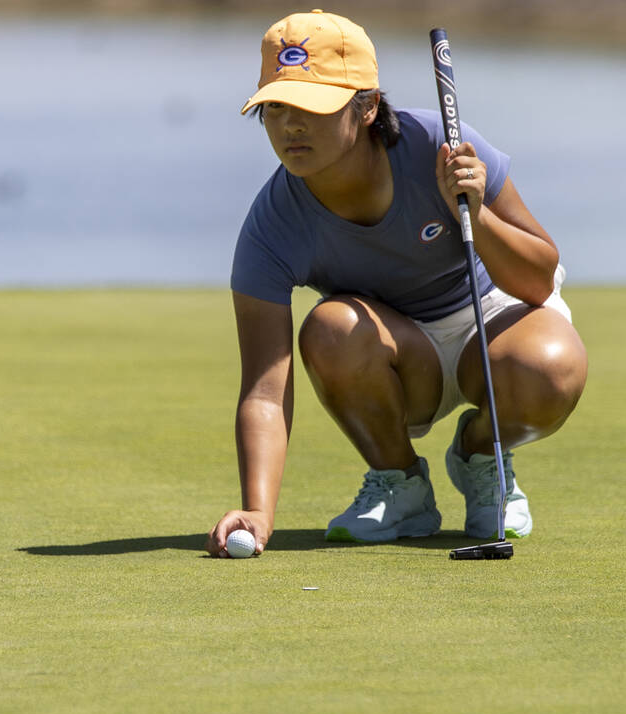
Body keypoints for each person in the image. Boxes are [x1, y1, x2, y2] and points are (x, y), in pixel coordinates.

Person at [207, 10, 587, 557]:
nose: (290, 125)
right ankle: (400, 482)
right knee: (331, 328)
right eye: (275, 107)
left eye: (312, 107)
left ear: (366, 107)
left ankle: (482, 455)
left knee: (551, 368)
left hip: (495, 317)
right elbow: (265, 391)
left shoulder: (438, 145)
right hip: (399, 355)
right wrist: (259, 512)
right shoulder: (271, 224)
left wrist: (477, 217)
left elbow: (538, 279)